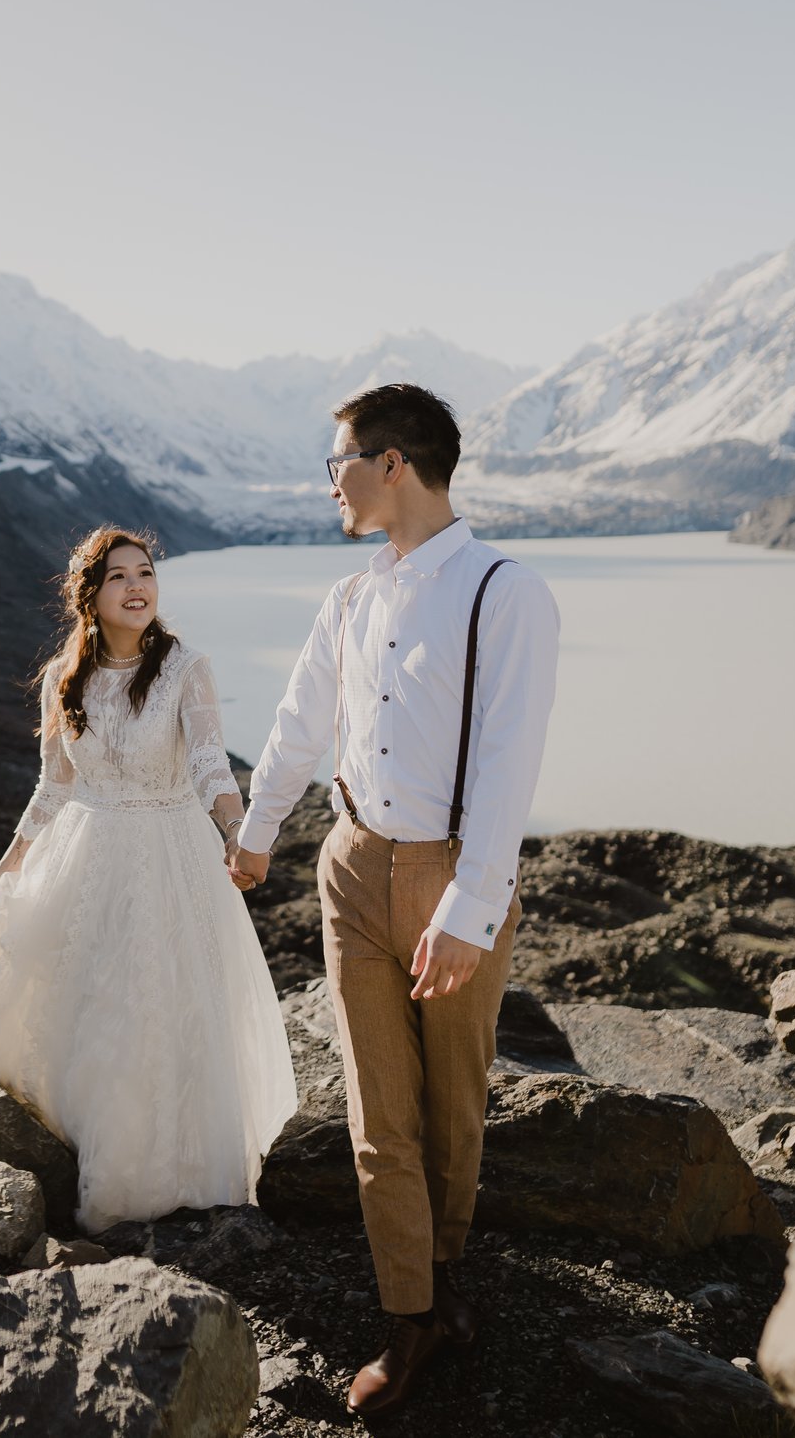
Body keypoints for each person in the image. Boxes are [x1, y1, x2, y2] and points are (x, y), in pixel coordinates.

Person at [226, 383, 560, 1416]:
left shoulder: (506, 591)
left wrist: (469, 907)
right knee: (378, 1112)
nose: (329, 481)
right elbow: (297, 717)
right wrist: (257, 829)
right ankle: (409, 1313)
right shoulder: (348, 596)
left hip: (451, 874)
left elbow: (510, 761)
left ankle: (443, 1271)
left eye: (339, 462)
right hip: (351, 865)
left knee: (451, 1102)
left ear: (393, 465)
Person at [0, 525, 297, 1234]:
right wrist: (3, 869)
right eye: (119, 576)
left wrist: (238, 830)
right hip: (90, 852)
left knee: (166, 1008)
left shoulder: (184, 667)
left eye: (146, 572)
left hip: (172, 855)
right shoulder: (62, 677)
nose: (138, 586)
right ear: (91, 594)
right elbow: (53, 788)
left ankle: (180, 1172)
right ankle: (99, 1155)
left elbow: (208, 765)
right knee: (98, 1010)